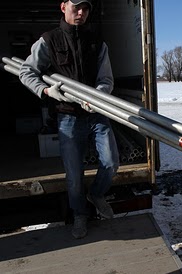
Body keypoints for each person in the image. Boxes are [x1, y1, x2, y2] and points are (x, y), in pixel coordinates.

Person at [19, 0, 119, 239]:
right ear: (63, 7)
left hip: (96, 113)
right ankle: (80, 216)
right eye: (76, 7)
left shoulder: (97, 41)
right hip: (68, 117)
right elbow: (26, 71)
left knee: (111, 161)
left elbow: (106, 79)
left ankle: (96, 194)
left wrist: (97, 96)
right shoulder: (49, 40)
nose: (81, 12)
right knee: (74, 175)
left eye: (86, 8)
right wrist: (45, 90)